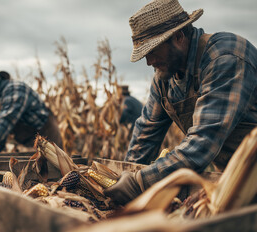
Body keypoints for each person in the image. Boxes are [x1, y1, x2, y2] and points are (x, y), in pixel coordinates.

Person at [104, 0, 257, 206]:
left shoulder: (225, 57)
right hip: (238, 177)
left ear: (178, 37)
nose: (149, 62)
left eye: (152, 51)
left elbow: (202, 144)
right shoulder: (164, 78)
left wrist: (139, 182)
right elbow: (145, 134)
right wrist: (126, 174)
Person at [0, 64, 63, 153]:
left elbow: (4, 122)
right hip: (32, 141)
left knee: (54, 168)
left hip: (48, 139)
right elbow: (3, 132)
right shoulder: (1, 98)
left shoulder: (15, 89)